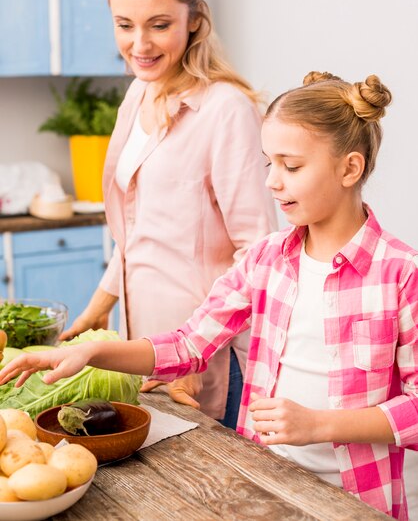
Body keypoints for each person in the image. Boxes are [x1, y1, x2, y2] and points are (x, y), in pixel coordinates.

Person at [2, 71, 417, 519]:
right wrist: (91, 353)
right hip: (265, 483)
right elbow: (188, 344)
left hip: (357, 499)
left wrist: (319, 425)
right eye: (268, 164)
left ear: (349, 168)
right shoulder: (266, 260)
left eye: (291, 166)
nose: (273, 182)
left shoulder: (401, 274)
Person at [58, 0, 277, 427]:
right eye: (124, 25)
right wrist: (101, 306)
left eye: (159, 25)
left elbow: (258, 254)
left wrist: (194, 353)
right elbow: (137, 230)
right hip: (143, 346)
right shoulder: (137, 95)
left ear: (194, 18)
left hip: (206, 359)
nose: (140, 44)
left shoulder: (226, 110)